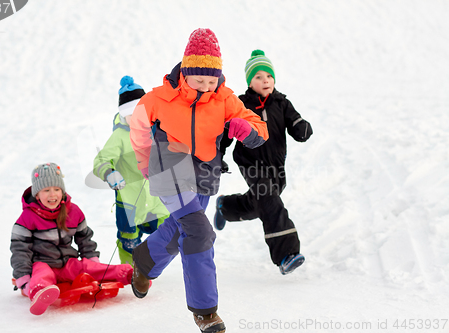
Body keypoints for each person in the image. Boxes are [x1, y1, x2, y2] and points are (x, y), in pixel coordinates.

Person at [128, 28, 268, 333]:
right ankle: (205, 312)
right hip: (169, 171)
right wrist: (143, 161)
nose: (206, 87)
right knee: (199, 232)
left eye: (211, 80)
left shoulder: (224, 98)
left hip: (204, 174)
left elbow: (258, 127)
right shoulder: (161, 98)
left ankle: (144, 261)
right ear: (185, 75)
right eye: (199, 80)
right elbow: (138, 125)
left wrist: (246, 129)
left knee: (182, 229)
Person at [215, 49, 313, 275]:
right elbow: (225, 133)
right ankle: (286, 254)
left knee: (264, 201)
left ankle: (226, 207)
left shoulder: (282, 103)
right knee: (267, 197)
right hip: (250, 161)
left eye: (268, 76)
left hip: (276, 164)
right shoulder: (240, 104)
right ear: (250, 82)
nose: (265, 80)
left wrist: (302, 128)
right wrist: (217, 156)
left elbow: (296, 123)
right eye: (258, 77)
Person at [10, 163, 133, 315]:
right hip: (42, 263)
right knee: (41, 275)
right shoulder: (27, 218)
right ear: (37, 194)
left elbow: (85, 239)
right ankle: (40, 291)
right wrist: (23, 278)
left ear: (62, 191)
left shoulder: (73, 211)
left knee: (88, 268)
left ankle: (128, 274)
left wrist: (92, 262)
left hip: (68, 263)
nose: (52, 194)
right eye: (46, 190)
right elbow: (20, 249)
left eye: (56, 189)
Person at [93, 76, 169, 265]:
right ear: (124, 115)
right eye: (131, 114)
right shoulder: (119, 136)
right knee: (129, 238)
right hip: (129, 198)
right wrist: (110, 173)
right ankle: (130, 269)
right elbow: (100, 160)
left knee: (166, 230)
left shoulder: (158, 130)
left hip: (156, 197)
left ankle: (152, 263)